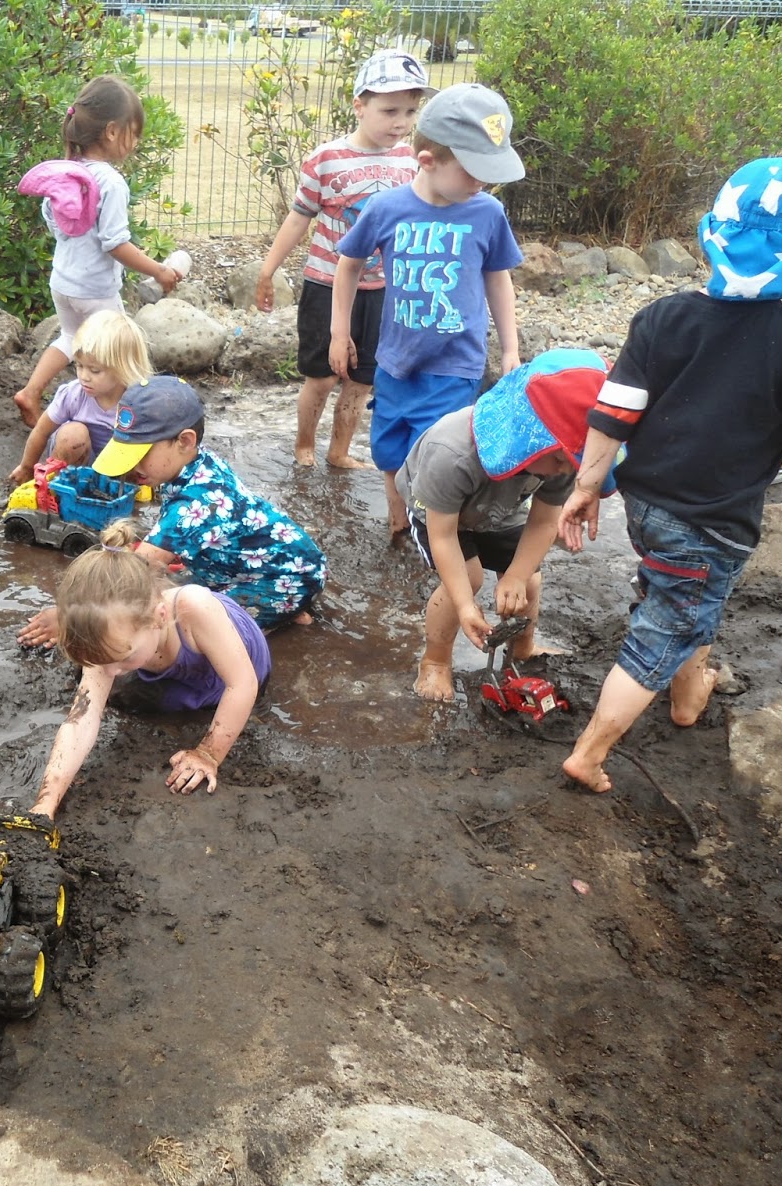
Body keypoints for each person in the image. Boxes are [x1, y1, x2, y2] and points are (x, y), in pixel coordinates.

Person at [557, 157, 782, 793]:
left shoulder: (662, 319)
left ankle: (688, 694)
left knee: (682, 596)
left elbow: (613, 412)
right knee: (668, 623)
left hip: (646, 503)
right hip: (712, 518)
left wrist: (587, 485)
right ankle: (589, 752)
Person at [329, 82, 525, 542]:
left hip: (454, 364)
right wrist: (340, 332)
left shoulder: (487, 213)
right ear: (428, 161)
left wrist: (511, 348)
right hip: (396, 360)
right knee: (390, 448)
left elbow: (499, 278)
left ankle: (437, 537)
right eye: (474, 171)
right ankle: (399, 522)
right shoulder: (387, 208)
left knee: (438, 454)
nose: (483, 183)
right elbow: (348, 266)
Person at [18, 376, 326, 647]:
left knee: (182, 621)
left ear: (184, 441)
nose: (133, 468)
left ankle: (272, 616)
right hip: (263, 563)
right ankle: (284, 609)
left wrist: (73, 617)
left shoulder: (195, 504)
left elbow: (134, 571)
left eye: (140, 455)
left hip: (287, 575)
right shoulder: (196, 464)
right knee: (173, 586)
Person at [398, 348, 615, 701]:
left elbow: (544, 523)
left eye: (572, 462)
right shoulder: (451, 453)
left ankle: (523, 647)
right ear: (530, 437)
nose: (566, 469)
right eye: (561, 459)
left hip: (500, 505)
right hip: (436, 508)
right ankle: (435, 660)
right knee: (468, 579)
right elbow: (442, 536)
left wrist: (514, 575)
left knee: (528, 576)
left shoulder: (561, 460)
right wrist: (468, 606)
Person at [255, 49, 434, 470]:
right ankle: (304, 445)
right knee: (321, 376)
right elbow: (299, 217)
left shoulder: (412, 162)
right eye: (389, 110)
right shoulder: (325, 159)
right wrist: (268, 269)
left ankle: (338, 451)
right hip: (326, 283)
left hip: (384, 290)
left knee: (362, 379)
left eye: (410, 111)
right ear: (359, 105)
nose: (401, 122)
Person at [31, 525, 272, 817]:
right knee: (110, 689)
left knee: (139, 695)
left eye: (120, 658)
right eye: (103, 662)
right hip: (168, 661)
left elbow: (242, 683)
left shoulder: (194, 607)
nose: (111, 671)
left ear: (159, 618)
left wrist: (208, 753)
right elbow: (82, 719)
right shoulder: (116, 643)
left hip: (237, 667)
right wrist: (47, 801)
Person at [13, 76, 184, 428]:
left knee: (70, 338)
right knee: (120, 349)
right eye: (134, 133)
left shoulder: (66, 174)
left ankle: (31, 392)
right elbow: (116, 244)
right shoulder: (110, 182)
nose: (135, 143)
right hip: (95, 290)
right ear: (111, 131)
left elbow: (55, 225)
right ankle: (124, 418)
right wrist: (158, 271)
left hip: (63, 282)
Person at [7, 310, 152, 485]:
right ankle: (59, 486)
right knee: (72, 435)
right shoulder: (74, 394)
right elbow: (41, 430)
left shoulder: (138, 402)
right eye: (79, 365)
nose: (84, 376)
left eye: (94, 370)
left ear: (123, 369)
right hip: (74, 460)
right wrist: (26, 467)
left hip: (119, 470)